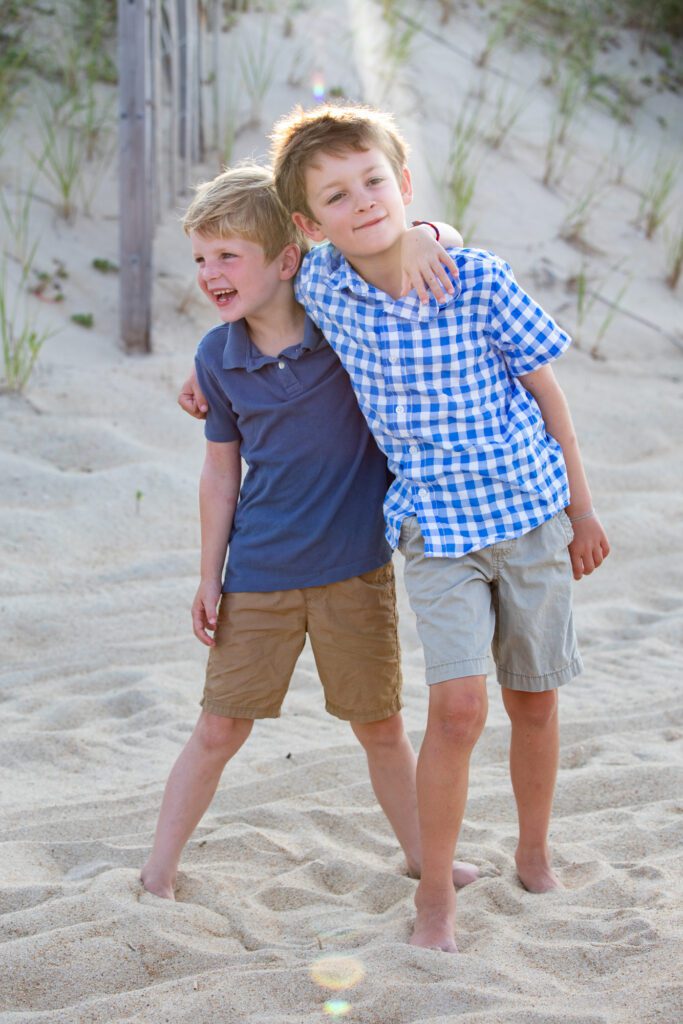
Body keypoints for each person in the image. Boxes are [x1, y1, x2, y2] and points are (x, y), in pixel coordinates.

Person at [261, 102, 611, 953]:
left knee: (534, 701)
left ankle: (533, 851)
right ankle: (435, 903)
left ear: (403, 182)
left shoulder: (477, 277)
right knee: (456, 708)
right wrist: (208, 378)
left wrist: (582, 505)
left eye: (375, 182)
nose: (363, 201)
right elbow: (247, 259)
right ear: (311, 224)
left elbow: (546, 393)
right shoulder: (323, 285)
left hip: (531, 514)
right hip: (436, 530)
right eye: (337, 196)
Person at [141, 162, 477, 901]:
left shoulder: (346, 315)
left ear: (288, 258)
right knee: (219, 729)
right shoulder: (216, 357)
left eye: (228, 256)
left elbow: (418, 243)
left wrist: (423, 233)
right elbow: (220, 474)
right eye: (200, 259)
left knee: (380, 728)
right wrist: (208, 574)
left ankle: (425, 858)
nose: (210, 274)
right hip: (257, 571)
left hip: (355, 569)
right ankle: (157, 872)